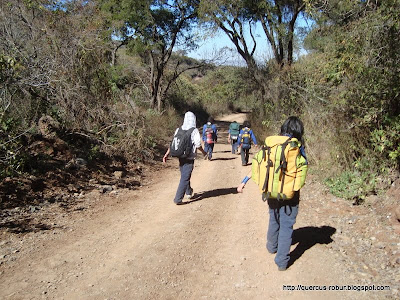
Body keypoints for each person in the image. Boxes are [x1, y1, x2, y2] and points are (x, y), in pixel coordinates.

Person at [237, 116, 307, 271]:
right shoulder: (297, 147)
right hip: (290, 193)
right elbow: (302, 169)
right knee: (287, 225)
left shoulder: (271, 144)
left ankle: (271, 246)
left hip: (270, 191)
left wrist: (244, 181)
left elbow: (257, 163)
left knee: (274, 218)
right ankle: (282, 262)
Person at [163, 111, 207, 205]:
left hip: (180, 156)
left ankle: (188, 191)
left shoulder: (178, 129)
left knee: (184, 175)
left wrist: (166, 154)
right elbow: (198, 144)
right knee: (185, 177)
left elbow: (173, 143)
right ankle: (178, 198)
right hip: (189, 157)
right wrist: (203, 152)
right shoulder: (193, 130)